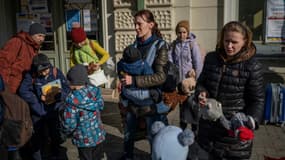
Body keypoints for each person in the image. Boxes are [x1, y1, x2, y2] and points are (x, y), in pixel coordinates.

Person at [194, 21, 264, 160]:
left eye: (234, 42)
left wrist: (251, 121)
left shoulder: (252, 66)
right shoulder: (211, 58)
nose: (229, 46)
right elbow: (201, 83)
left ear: (245, 42)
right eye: (226, 41)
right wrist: (202, 93)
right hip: (207, 130)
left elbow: (257, 100)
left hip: (233, 136)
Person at [119, 9, 169, 160]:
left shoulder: (160, 46)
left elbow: (161, 77)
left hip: (151, 102)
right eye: (135, 24)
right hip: (132, 101)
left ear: (151, 25)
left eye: (139, 24)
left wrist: (134, 81)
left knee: (155, 139)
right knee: (128, 134)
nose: (136, 27)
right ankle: (128, 156)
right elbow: (124, 67)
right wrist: (119, 78)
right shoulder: (134, 45)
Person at [18, 53, 70, 160]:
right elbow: (23, 91)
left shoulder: (56, 72)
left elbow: (66, 89)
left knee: (55, 135)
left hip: (54, 110)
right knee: (37, 138)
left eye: (46, 69)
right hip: (38, 112)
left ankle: (55, 154)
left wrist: (58, 96)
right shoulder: (31, 75)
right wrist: (36, 100)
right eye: (41, 71)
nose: (45, 72)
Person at [62, 64, 105, 160]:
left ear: (72, 82)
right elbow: (101, 106)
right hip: (98, 135)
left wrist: (65, 131)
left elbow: (69, 123)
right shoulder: (94, 91)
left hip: (83, 139)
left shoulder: (71, 100)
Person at [168, 20, 203, 131]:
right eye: (179, 32)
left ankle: (195, 131)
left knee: (193, 106)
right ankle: (182, 130)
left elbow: (198, 62)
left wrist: (197, 78)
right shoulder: (174, 45)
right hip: (179, 82)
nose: (182, 34)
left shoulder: (192, 44)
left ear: (187, 32)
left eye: (184, 32)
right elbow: (170, 62)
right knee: (182, 107)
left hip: (190, 82)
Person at [117, 45, 169, 115]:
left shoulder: (121, 64)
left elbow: (120, 74)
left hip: (128, 92)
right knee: (156, 93)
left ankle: (125, 104)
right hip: (142, 94)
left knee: (123, 91)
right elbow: (150, 77)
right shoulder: (143, 64)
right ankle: (161, 107)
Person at [0, 23, 46, 93]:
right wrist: (4, 85)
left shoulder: (35, 47)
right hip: (12, 86)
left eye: (43, 37)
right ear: (32, 34)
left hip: (24, 86)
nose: (42, 39)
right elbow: (3, 62)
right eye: (39, 36)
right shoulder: (17, 41)